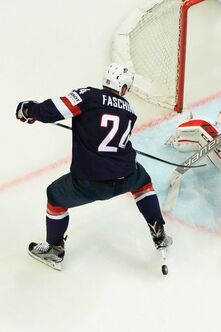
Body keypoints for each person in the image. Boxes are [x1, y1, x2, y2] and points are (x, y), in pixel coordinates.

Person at [16, 63, 172, 271]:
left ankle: (54, 249)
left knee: (54, 195)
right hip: (127, 174)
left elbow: (55, 109)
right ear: (124, 88)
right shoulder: (130, 111)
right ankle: (158, 230)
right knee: (142, 181)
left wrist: (29, 110)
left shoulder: (88, 96)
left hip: (92, 182)